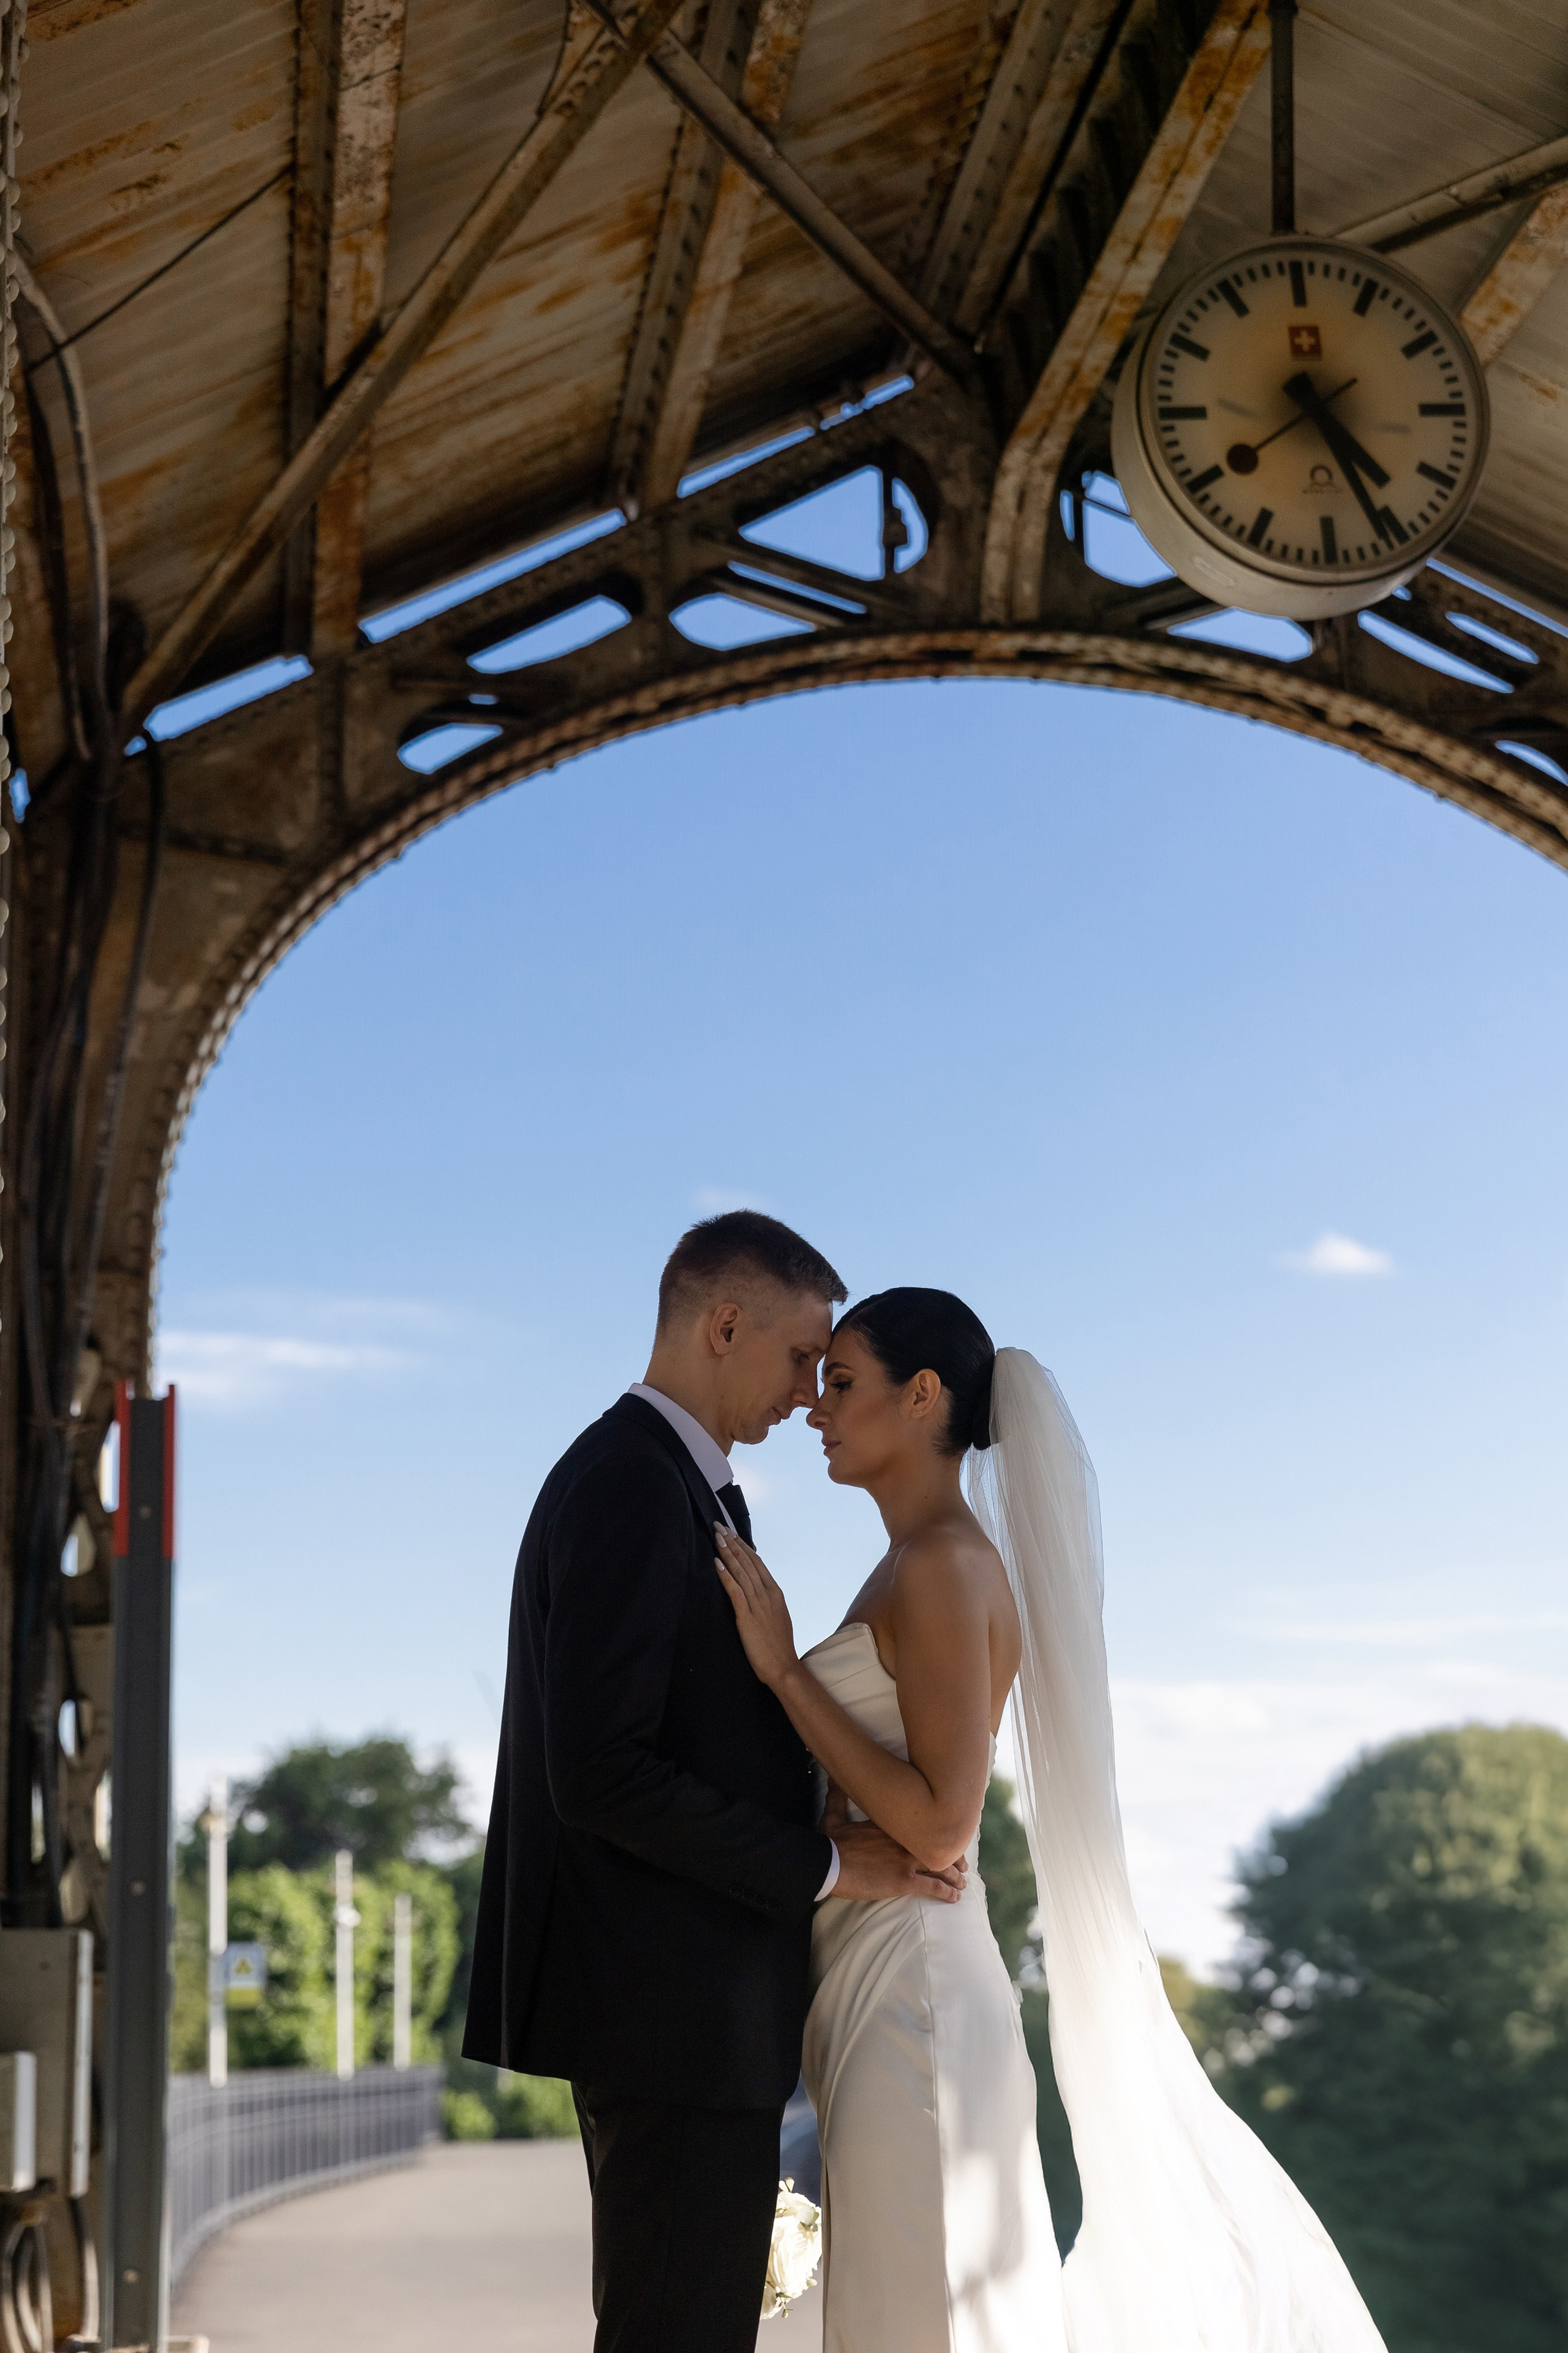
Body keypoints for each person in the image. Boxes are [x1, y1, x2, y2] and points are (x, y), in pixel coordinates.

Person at [715, 1287, 1390, 2353]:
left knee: (927, 2315)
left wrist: (785, 1673)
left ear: (922, 1395)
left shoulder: (941, 1565)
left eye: (842, 1384)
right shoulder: (911, 1561)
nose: (815, 1408)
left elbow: (943, 1827)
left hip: (915, 1989)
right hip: (878, 1973)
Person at [464, 1217, 966, 2353]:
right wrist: (832, 1864)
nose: (809, 1392)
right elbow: (599, 1771)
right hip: (668, 2012)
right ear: (723, 1324)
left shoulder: (681, 1487)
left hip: (691, 2012)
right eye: (801, 1358)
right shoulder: (631, 1486)